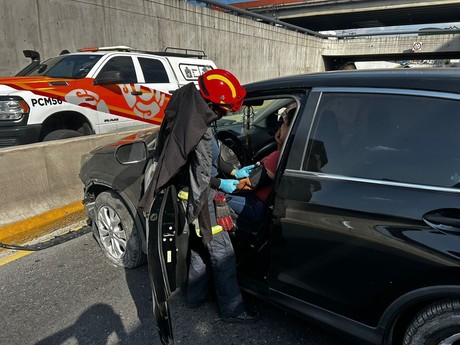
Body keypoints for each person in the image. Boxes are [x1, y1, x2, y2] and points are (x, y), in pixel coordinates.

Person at [140, 68, 259, 324]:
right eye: (226, 109)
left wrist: (235, 170)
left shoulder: (191, 111)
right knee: (222, 254)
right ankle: (233, 311)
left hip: (193, 198)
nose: (227, 113)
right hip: (203, 202)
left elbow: (212, 157)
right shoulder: (198, 130)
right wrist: (225, 183)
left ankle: (195, 297)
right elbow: (203, 176)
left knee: (199, 249)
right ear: (214, 105)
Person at [224, 106, 295, 222]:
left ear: (291, 128)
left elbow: (249, 185)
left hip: (257, 206)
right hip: (266, 204)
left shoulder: (277, 158)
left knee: (214, 197)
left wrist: (220, 184)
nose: (280, 126)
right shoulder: (292, 152)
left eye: (283, 124)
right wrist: (280, 142)